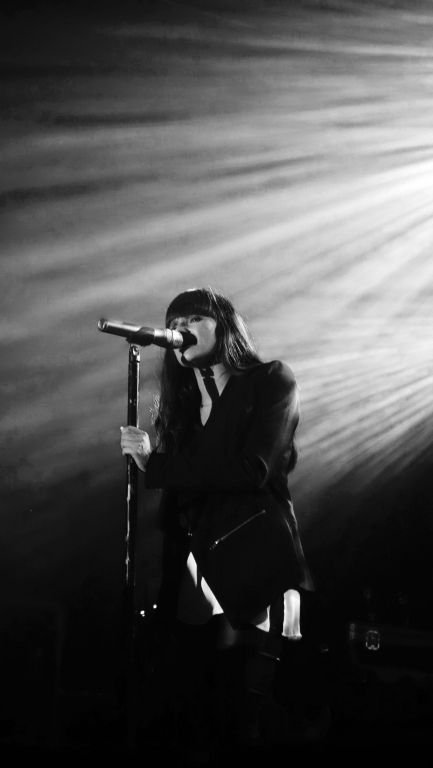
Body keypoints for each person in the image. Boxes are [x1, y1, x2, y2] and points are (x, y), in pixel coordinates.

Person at [120, 287, 314, 756]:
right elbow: (181, 503)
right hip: (195, 577)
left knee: (250, 711)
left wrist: (158, 465)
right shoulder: (183, 409)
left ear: (224, 326)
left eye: (193, 319)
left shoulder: (271, 380)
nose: (180, 330)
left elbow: (253, 469)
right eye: (174, 322)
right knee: (191, 713)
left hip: (255, 565)